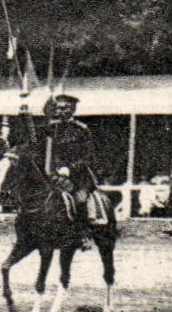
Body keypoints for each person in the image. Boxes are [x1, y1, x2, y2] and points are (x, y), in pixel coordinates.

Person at [27, 90, 110, 228]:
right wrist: (25, 116)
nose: (60, 111)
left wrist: (69, 168)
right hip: (53, 173)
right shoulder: (51, 128)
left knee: (81, 199)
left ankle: (84, 233)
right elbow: (36, 141)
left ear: (72, 110)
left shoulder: (81, 129)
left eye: (65, 108)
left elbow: (88, 156)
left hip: (79, 175)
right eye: (58, 108)